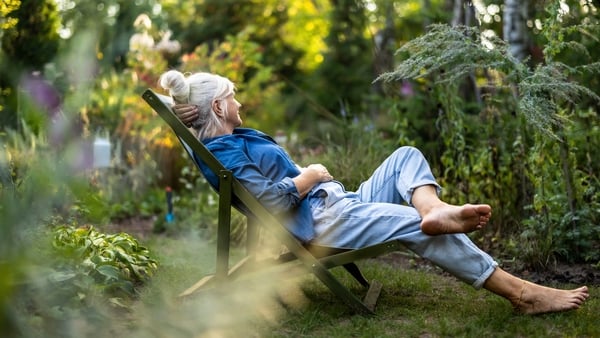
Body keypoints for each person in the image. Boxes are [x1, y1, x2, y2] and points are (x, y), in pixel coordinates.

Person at [158, 69, 589, 315]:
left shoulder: (228, 138)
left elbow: (199, 135)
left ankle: (435, 208)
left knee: (405, 155)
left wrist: (185, 110)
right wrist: (308, 176)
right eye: (233, 97)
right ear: (218, 107)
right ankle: (523, 294)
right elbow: (271, 202)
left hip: (338, 203)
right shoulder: (226, 153)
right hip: (323, 221)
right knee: (413, 226)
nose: (240, 101)